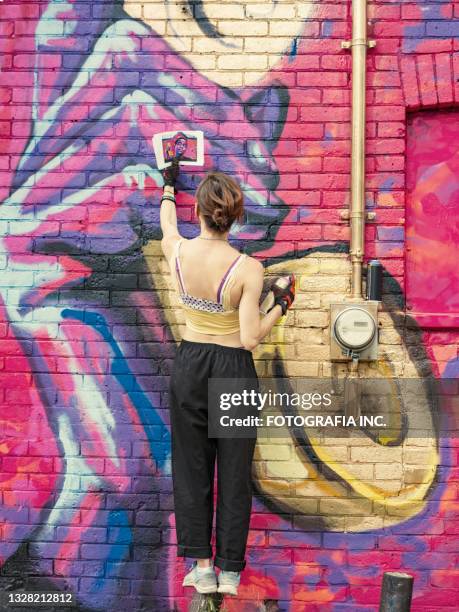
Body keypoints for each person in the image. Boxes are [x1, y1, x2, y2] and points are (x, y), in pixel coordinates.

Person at [159, 161, 295, 596]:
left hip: (190, 364)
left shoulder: (176, 251)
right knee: (234, 473)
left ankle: (201, 565)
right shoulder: (248, 269)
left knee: (192, 469)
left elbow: (165, 224)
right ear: (236, 216)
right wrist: (282, 304)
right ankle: (230, 571)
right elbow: (251, 337)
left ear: (197, 211)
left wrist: (167, 186)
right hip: (232, 370)